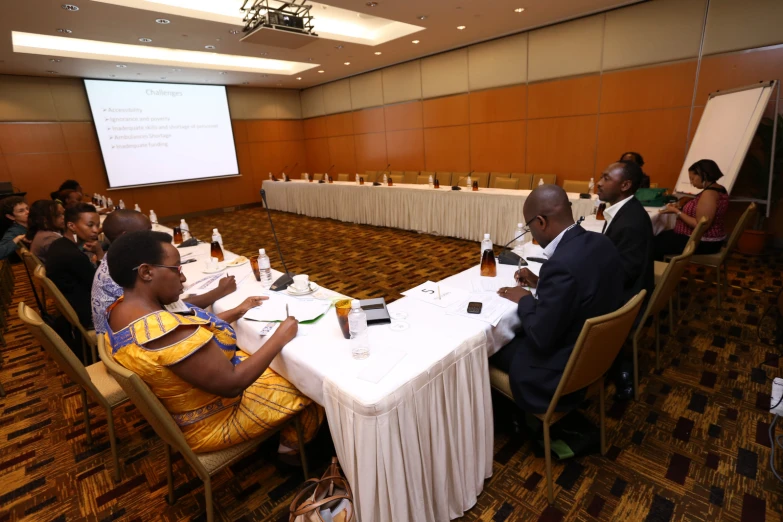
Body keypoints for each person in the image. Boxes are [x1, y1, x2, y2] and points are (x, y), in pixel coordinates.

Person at [105, 230, 323, 454]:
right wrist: (280, 337)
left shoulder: (121, 308)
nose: (183, 278)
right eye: (176, 269)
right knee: (307, 380)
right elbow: (232, 384)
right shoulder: (167, 333)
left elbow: (192, 333)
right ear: (146, 272)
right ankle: (291, 451)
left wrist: (237, 310)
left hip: (189, 401)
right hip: (213, 421)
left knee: (276, 362)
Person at [491, 185, 624, 413]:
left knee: (490, 348)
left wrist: (524, 298)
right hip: (597, 353)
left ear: (541, 222)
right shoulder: (601, 241)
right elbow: (583, 286)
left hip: (561, 367)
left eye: (530, 227)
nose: (531, 233)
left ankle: (508, 417)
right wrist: (541, 282)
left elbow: (541, 337)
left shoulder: (560, 265)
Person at [92, 210, 244, 335]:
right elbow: (171, 310)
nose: (153, 237)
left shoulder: (117, 260)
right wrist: (220, 291)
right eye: (147, 233)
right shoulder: (119, 274)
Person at [596, 161, 654, 400]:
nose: (599, 182)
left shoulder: (630, 222)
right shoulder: (625, 211)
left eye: (606, 178)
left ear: (625, 185)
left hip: (626, 299)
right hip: (629, 287)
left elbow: (624, 273)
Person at [654, 159, 728, 260]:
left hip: (704, 242)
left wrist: (677, 212)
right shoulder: (719, 188)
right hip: (705, 239)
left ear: (703, 175)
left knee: (654, 243)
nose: (691, 182)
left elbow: (700, 225)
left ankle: (662, 273)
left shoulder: (709, 194)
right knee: (661, 236)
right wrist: (681, 208)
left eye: (692, 178)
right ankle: (664, 269)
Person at [45, 203, 104, 328]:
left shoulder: (59, 244)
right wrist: (99, 254)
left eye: (97, 225)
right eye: (90, 225)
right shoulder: (72, 255)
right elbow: (102, 286)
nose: (95, 230)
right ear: (71, 226)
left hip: (74, 304)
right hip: (88, 314)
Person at [25, 200, 65, 265]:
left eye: (63, 213)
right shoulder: (50, 238)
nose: (63, 217)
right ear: (44, 219)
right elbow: (66, 261)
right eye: (58, 215)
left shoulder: (43, 232)